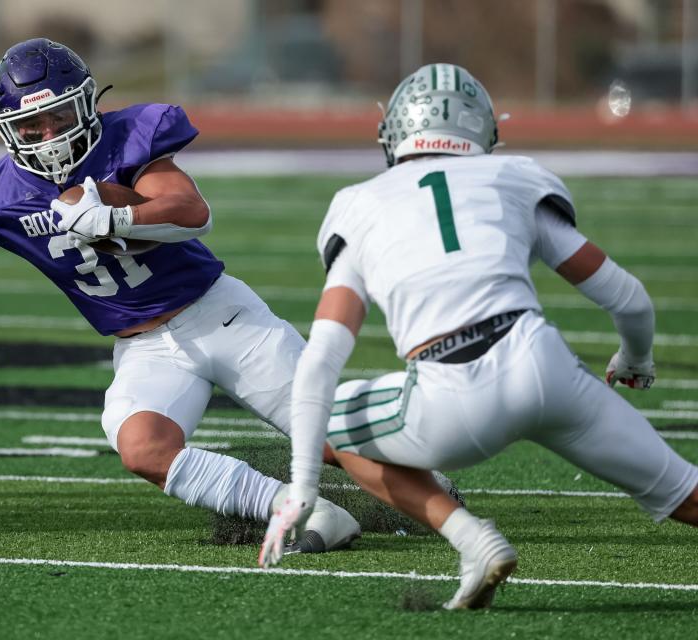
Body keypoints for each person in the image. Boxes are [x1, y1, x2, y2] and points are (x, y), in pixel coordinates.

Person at [0, 37, 382, 551]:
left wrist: (115, 216)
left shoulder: (131, 137)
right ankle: (304, 513)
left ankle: (438, 501)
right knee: (141, 446)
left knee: (335, 441)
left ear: (87, 104)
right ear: (6, 129)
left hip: (221, 316)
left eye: (59, 114)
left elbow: (191, 211)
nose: (50, 131)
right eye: (32, 121)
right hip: (143, 346)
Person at [259, 63, 698, 609]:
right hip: (544, 364)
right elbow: (628, 296)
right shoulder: (513, 177)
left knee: (338, 419)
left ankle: (474, 540)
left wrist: (301, 488)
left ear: (394, 132)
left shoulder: (361, 204)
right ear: (484, 132)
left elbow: (321, 359)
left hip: (449, 394)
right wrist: (636, 359)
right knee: (686, 494)